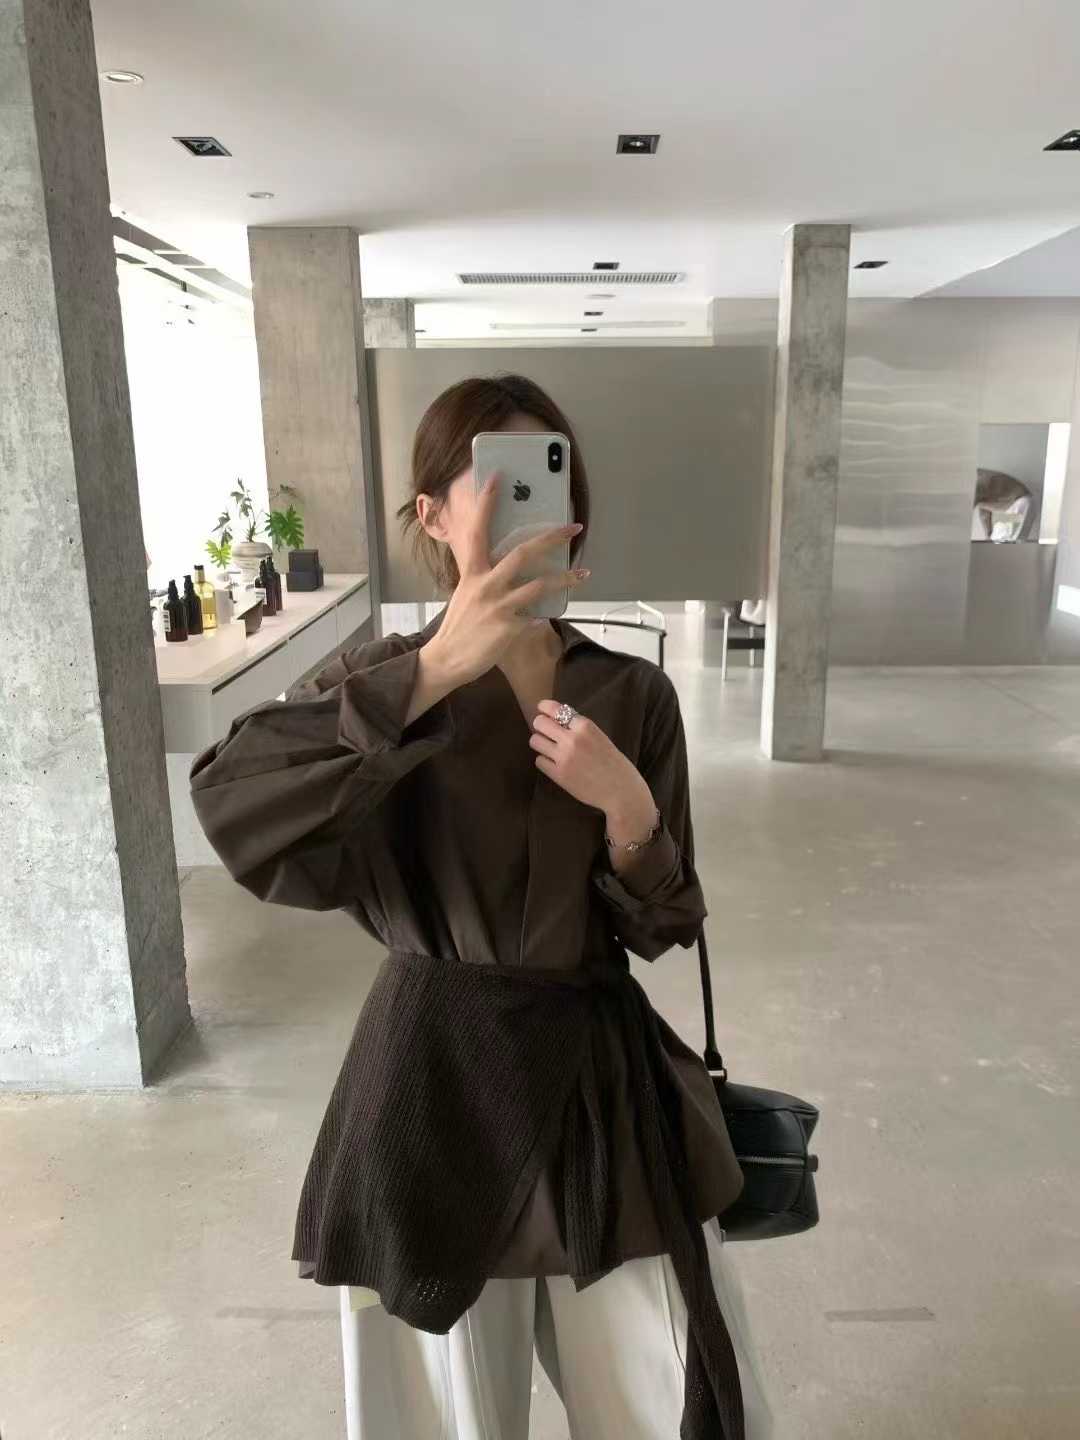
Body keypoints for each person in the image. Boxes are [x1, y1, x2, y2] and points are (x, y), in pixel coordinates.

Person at [190, 374, 775, 1439]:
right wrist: (429, 674)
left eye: (550, 476)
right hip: (429, 1088)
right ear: (433, 514)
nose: (530, 504)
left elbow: (663, 925)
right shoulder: (380, 683)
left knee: (668, 1393)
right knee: (442, 1418)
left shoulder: (631, 694)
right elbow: (233, 804)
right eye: (494, 477)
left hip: (597, 1082)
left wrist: (630, 813)